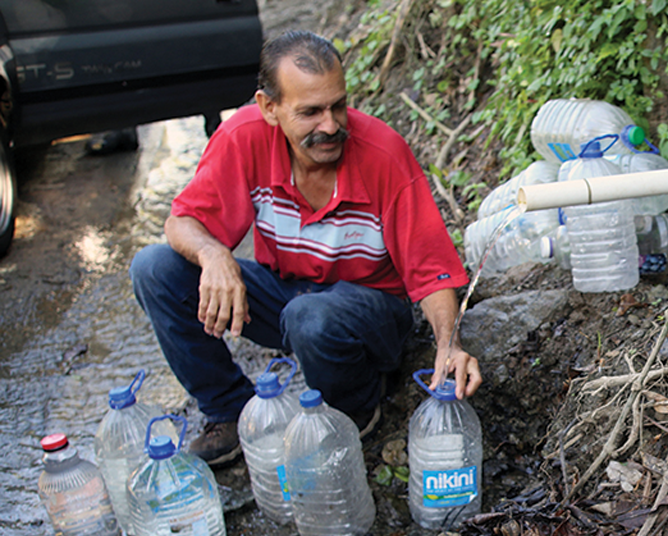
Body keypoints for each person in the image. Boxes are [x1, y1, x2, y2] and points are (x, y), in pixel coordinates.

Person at [130, 30, 482, 465]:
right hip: (286, 293)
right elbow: (182, 222)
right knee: (155, 268)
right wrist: (213, 253)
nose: (330, 126)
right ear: (269, 108)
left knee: (310, 316)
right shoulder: (242, 137)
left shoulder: (383, 154)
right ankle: (228, 410)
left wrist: (448, 344)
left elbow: (431, 272)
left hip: (370, 308)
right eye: (311, 112)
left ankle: (353, 410)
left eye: (338, 106)